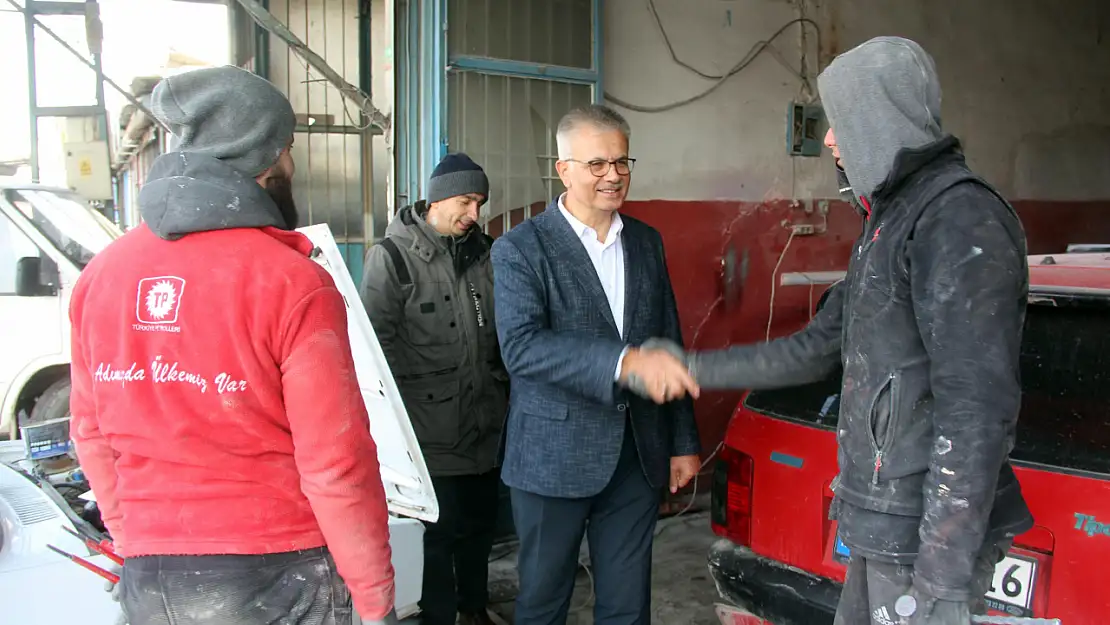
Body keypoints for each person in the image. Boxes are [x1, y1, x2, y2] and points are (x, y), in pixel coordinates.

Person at [644, 37, 1034, 625]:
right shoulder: (889, 221)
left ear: (880, 118)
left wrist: (941, 580)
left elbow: (975, 409)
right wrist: (692, 369)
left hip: (919, 541)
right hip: (883, 525)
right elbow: (815, 350)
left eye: (841, 120)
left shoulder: (957, 217)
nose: (829, 137)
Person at [69, 65, 398, 625]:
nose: (292, 163)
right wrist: (375, 600)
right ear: (266, 156)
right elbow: (335, 464)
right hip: (275, 574)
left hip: (151, 581)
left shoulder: (101, 277)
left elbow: (91, 433)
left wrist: (134, 541)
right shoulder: (293, 282)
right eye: (288, 147)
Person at [491, 103, 702, 625]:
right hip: (552, 457)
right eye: (598, 165)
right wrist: (624, 361)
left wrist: (683, 443)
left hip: (637, 453)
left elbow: (667, 341)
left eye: (622, 162)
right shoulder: (521, 248)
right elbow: (521, 347)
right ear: (563, 169)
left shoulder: (646, 243)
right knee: (543, 601)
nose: (614, 176)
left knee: (628, 606)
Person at [360, 153, 507, 625]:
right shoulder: (392, 258)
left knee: (481, 528)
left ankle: (474, 608)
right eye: (466, 201)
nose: (474, 214)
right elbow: (373, 350)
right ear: (437, 199)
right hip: (429, 432)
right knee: (438, 536)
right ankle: (439, 616)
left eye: (480, 204)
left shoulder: (486, 253)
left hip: (486, 423)